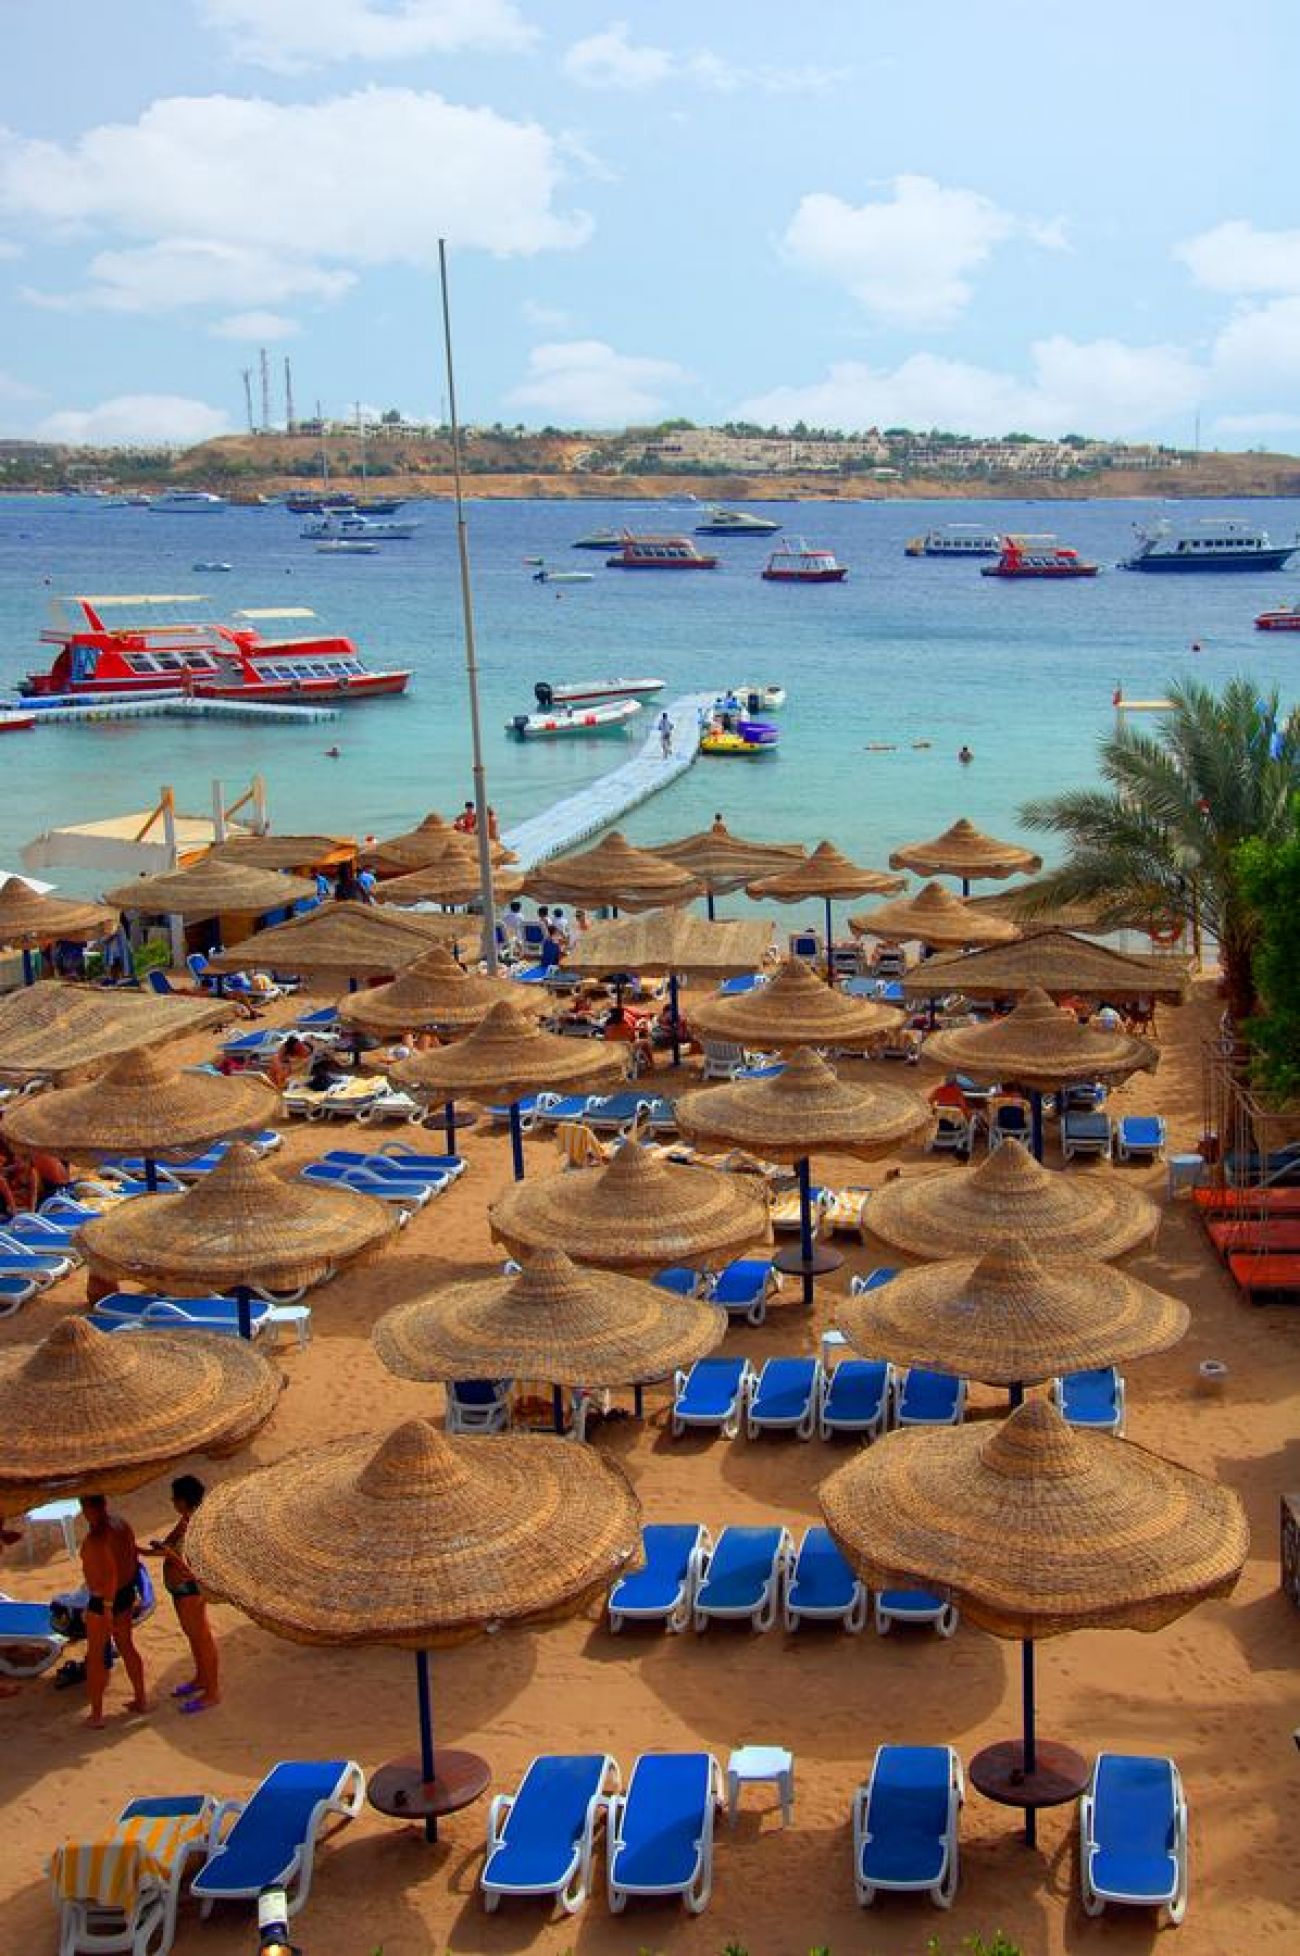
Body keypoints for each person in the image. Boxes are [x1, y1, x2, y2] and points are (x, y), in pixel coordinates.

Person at [143, 1476, 219, 1715]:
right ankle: (201, 1679)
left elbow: (187, 1566)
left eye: (175, 1498)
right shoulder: (185, 1521)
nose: (172, 1502)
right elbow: (168, 1546)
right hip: (180, 1590)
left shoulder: (197, 1526)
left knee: (202, 1639)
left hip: (190, 1591)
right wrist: (144, 1551)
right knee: (194, 1638)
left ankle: (212, 1693)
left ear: (183, 1501)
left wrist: (168, 1553)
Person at [78, 1495, 146, 1729]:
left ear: (87, 1508)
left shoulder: (97, 1539)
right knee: (126, 1645)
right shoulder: (121, 1524)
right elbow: (133, 1557)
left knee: (95, 1657)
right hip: (125, 1593)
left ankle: (96, 1715)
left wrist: (106, 1607)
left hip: (104, 1600)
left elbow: (109, 1574)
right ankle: (141, 1699)